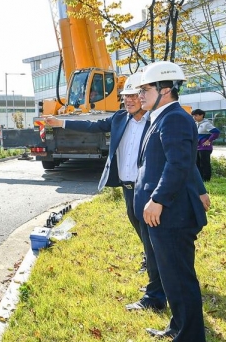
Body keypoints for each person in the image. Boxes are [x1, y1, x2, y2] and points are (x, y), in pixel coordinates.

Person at [134, 61, 208, 342]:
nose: (140, 94)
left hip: (172, 215)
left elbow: (178, 165)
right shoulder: (162, 116)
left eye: (145, 89)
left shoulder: (174, 118)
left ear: (165, 90)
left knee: (179, 279)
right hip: (166, 214)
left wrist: (158, 199)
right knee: (172, 277)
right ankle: (178, 328)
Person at [45, 72, 149, 271]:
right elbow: (92, 126)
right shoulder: (119, 118)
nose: (129, 100)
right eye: (126, 96)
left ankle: (152, 261)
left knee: (148, 224)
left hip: (146, 184)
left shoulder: (153, 121)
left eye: (134, 96)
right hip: (127, 184)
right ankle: (149, 254)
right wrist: (61, 122)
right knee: (135, 221)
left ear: (143, 97)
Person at [191, 109, 220, 182]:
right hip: (197, 147)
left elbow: (216, 132)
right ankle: (200, 179)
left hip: (205, 148)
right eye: (193, 116)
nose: (194, 117)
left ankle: (206, 179)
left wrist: (209, 140)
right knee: (197, 163)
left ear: (202, 115)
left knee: (204, 163)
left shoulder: (206, 124)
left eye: (196, 115)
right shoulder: (195, 124)